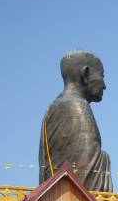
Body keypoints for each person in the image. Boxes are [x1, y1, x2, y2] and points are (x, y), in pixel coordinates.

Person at [39, 50, 113, 192]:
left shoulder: (55, 106)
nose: (104, 85)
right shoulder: (76, 107)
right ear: (85, 74)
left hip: (62, 197)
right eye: (101, 76)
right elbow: (86, 184)